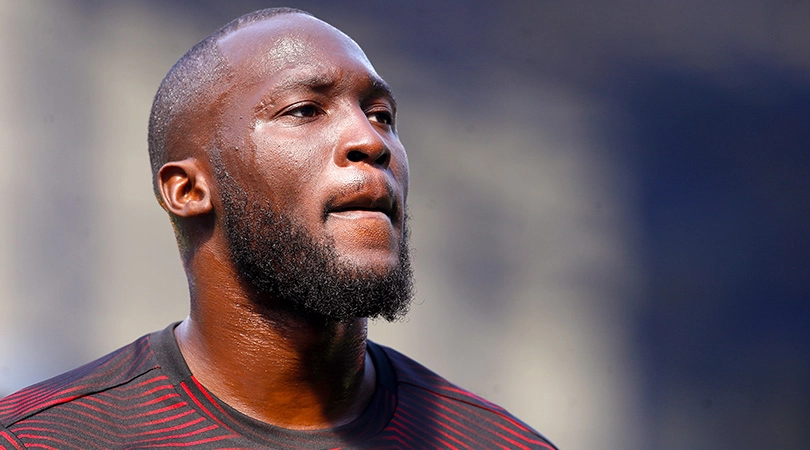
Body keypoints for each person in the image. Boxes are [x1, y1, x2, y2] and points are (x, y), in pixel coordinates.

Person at [0, 8, 556, 449]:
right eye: (305, 110)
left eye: (382, 115)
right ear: (187, 190)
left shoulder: (499, 443)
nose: (371, 141)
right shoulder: (42, 439)